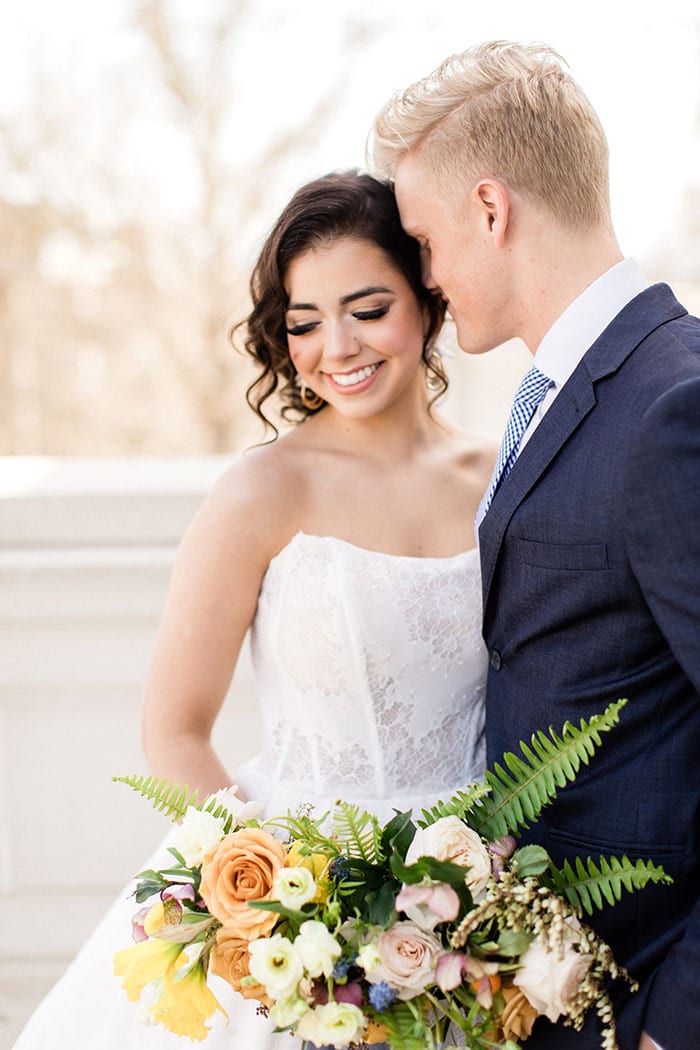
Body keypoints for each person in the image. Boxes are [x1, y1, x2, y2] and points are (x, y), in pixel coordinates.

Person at [11, 170, 493, 1049]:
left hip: (472, 918)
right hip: (293, 924)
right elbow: (176, 729)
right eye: (304, 323)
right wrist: (279, 905)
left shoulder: (501, 482)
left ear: (427, 297)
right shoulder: (261, 492)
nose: (335, 346)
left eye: (367, 308)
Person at [370, 40, 700, 1050]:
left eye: (424, 240)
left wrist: (675, 1023)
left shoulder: (671, 407)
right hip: (539, 993)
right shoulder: (544, 395)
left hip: (642, 995)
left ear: (489, 208)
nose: (424, 277)